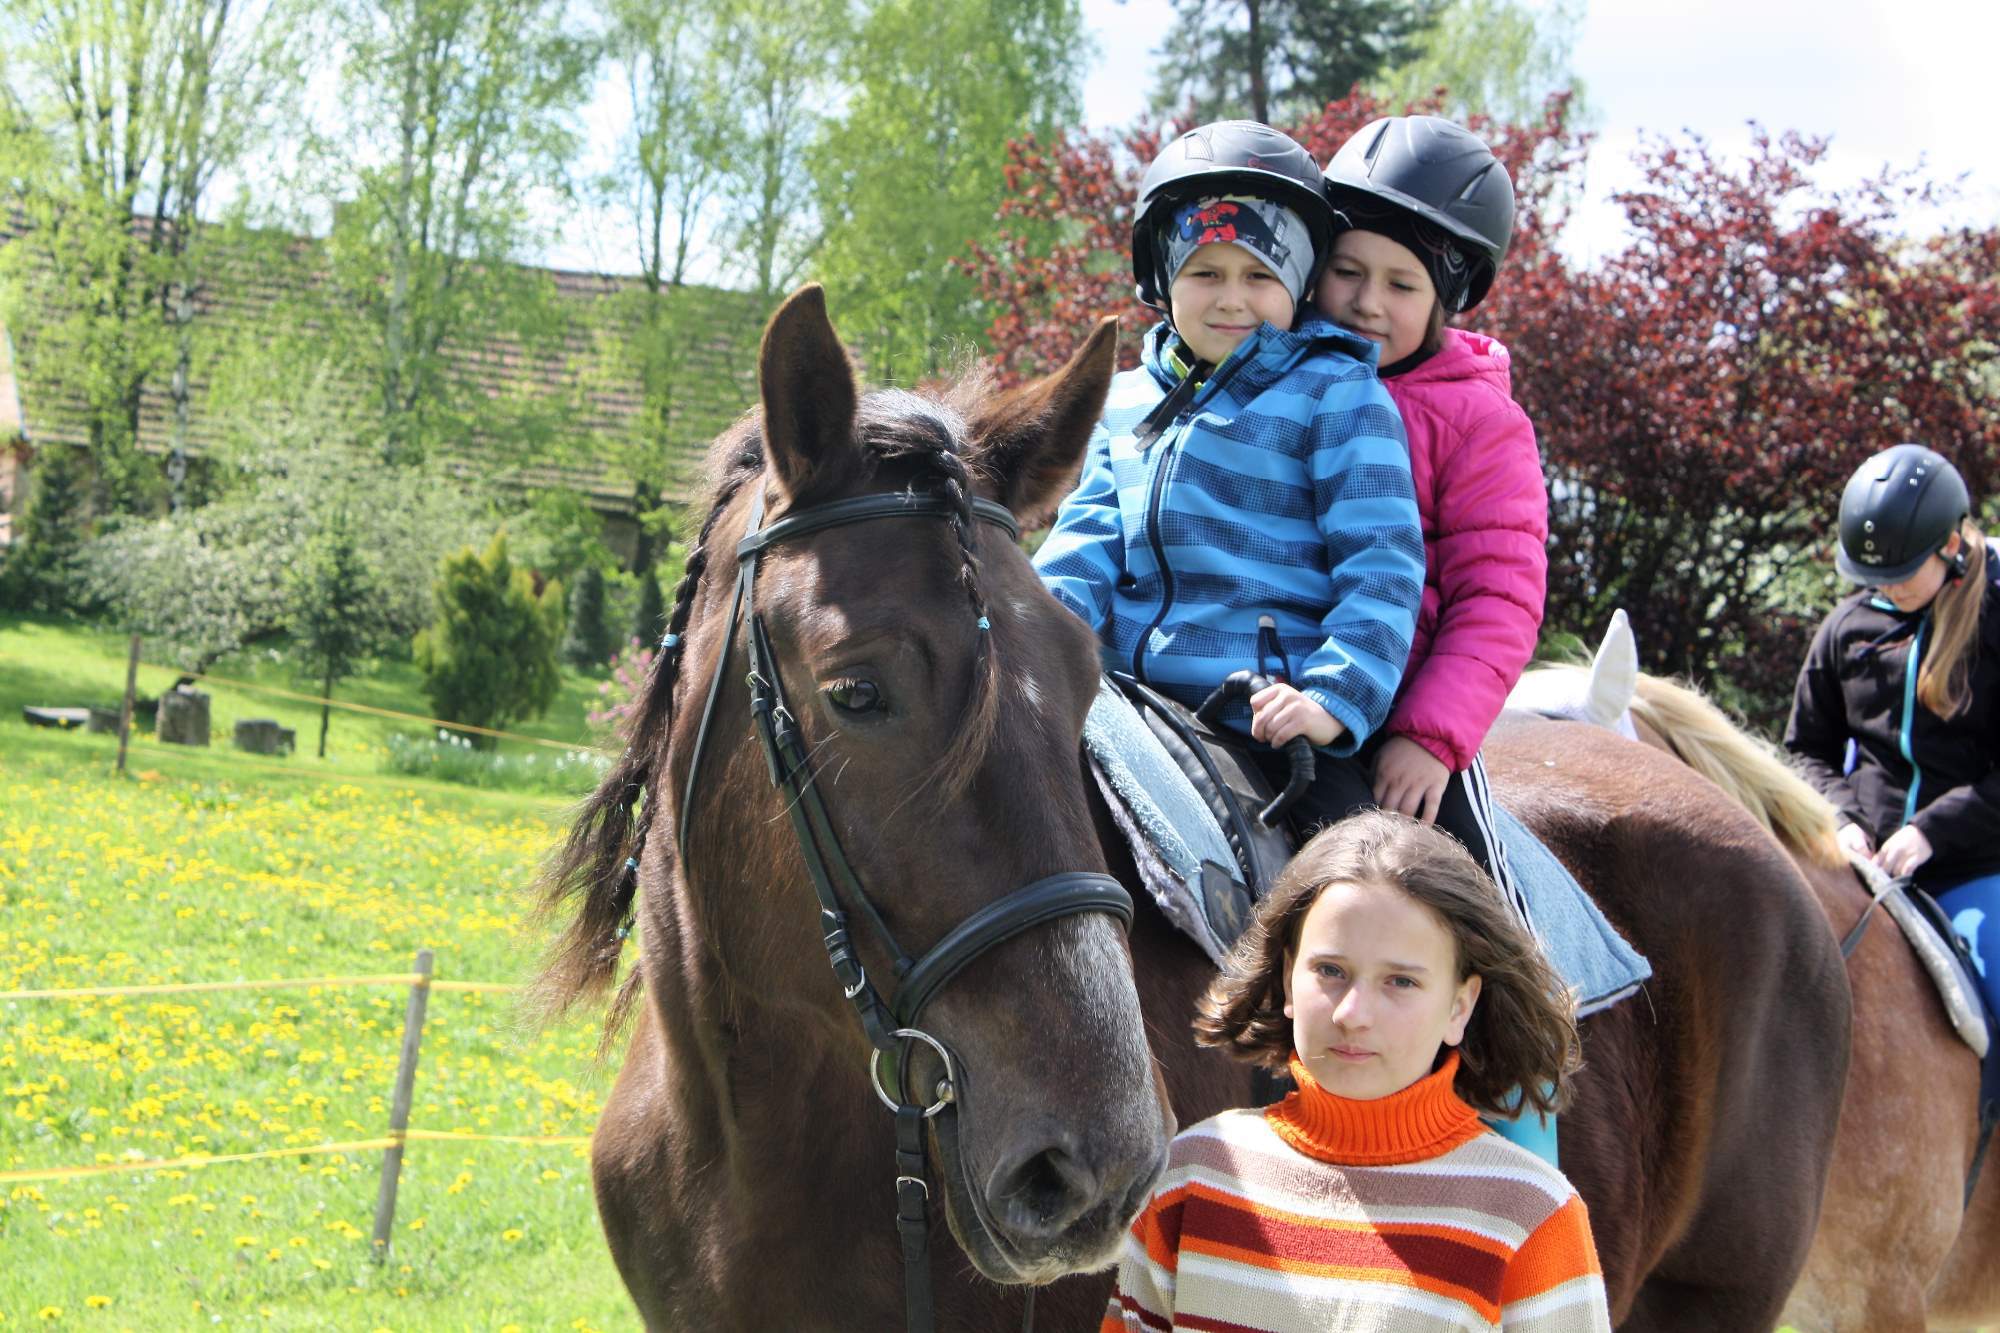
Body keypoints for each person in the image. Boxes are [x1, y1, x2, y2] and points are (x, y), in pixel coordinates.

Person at [1034, 120, 1425, 828]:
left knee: (1361, 873)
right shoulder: (1125, 400)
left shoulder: (1339, 394)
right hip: (1125, 698)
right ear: (1164, 281)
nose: (1231, 299)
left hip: (1271, 718)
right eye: (1206, 273)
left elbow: (1382, 566)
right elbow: (1084, 543)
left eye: (1260, 276)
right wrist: (1028, 636)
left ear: (1298, 286)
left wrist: (1331, 701)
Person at [1101, 810, 1609, 1332]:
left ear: (1460, 1007)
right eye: (1330, 971)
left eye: (1401, 982)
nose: (1352, 1014)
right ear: (1288, 978)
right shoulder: (1193, 1174)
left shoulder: (1534, 1217)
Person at [1313, 114, 1546, 918]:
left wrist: (1431, 735)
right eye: (1347, 271)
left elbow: (1498, 599)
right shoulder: (1281, 381)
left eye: (1402, 285)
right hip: (1283, 686)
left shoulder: (1481, 422)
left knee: (1464, 907)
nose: (1366, 302)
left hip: (1401, 718)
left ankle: (1514, 993)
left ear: (1446, 299)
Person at [1785, 443, 2000, 1022]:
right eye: (1873, 577)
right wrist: (1841, 819)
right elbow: (1805, 748)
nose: (1886, 589)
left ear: (1949, 545)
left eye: (1901, 574)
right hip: (1859, 864)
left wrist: (1931, 832)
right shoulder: (1847, 628)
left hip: (1972, 868)